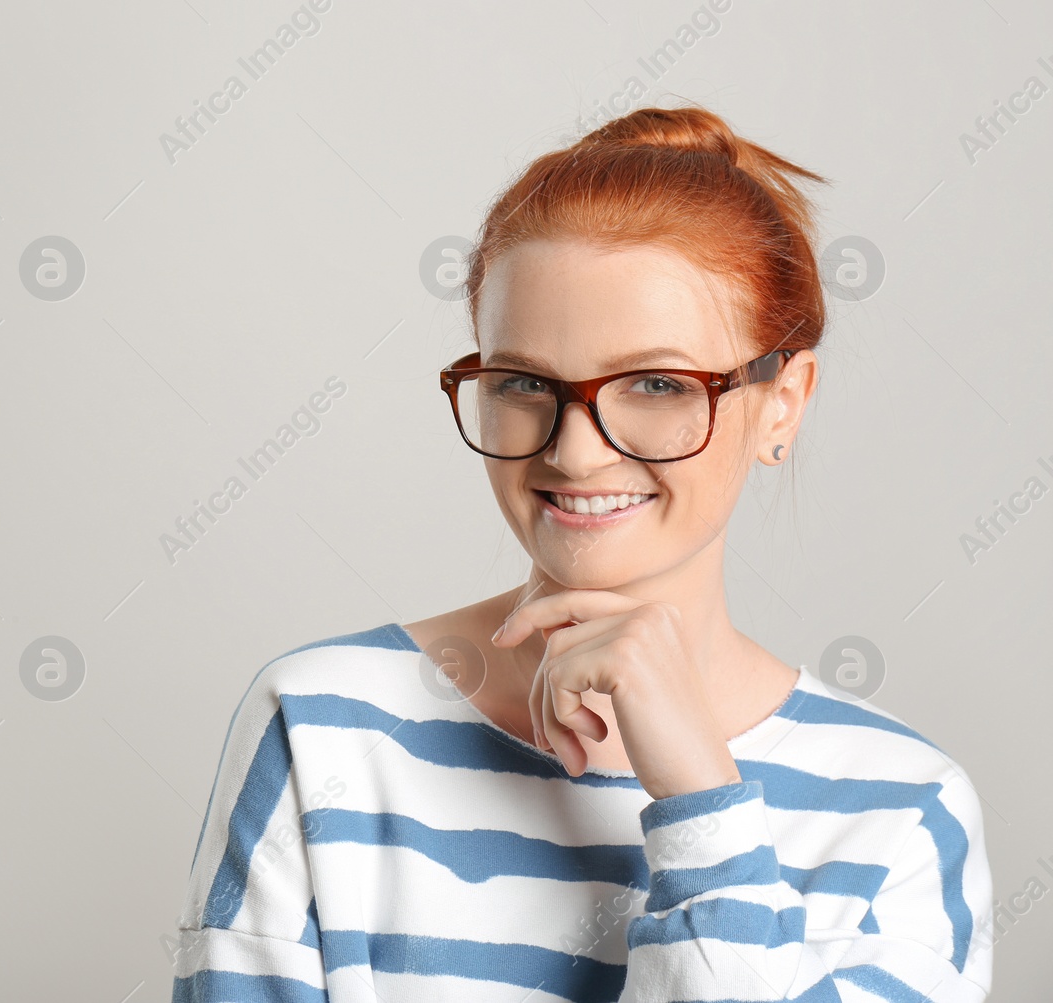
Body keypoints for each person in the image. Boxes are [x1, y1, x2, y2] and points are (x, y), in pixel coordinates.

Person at [168, 104, 994, 1002]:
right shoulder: (322, 725)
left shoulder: (902, 814)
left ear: (783, 401)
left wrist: (702, 802)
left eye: (656, 384)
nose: (574, 451)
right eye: (524, 382)